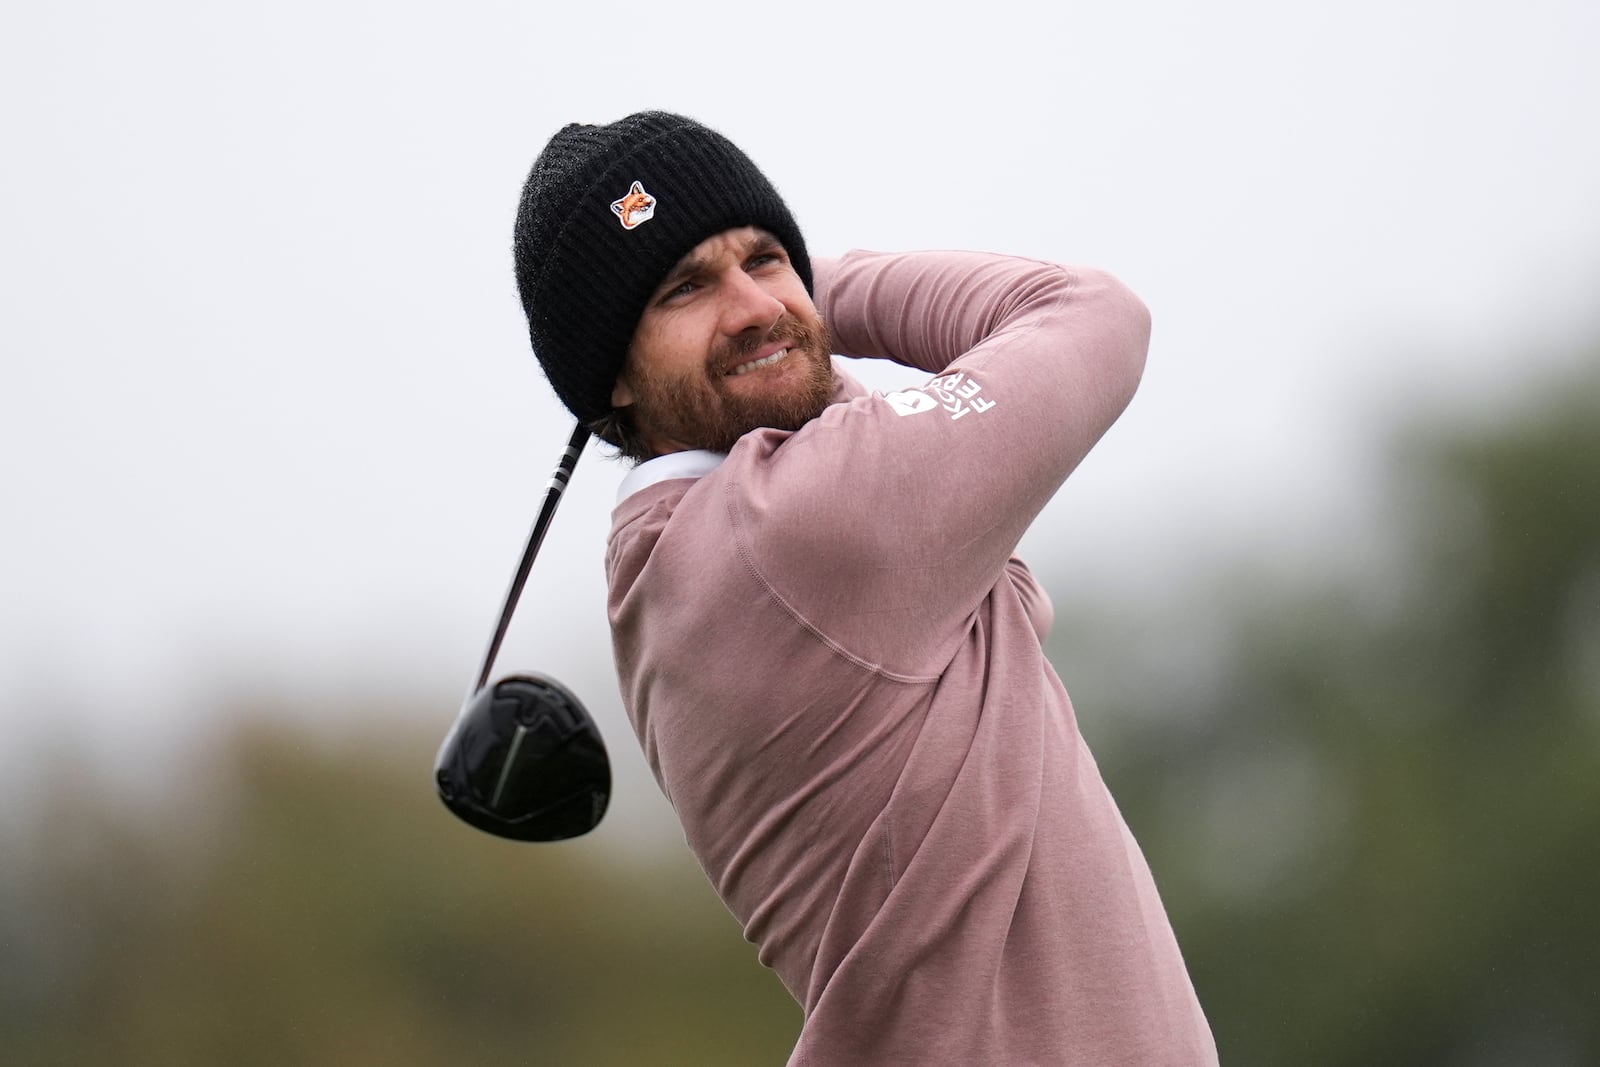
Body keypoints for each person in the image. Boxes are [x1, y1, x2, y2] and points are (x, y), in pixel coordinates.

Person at [512, 111, 1217, 1066]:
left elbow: (1005, 596)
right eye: (682, 288)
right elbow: (1092, 314)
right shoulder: (801, 527)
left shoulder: (676, 559)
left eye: (764, 260)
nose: (752, 304)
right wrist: (814, 287)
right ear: (612, 383)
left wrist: (768, 310)